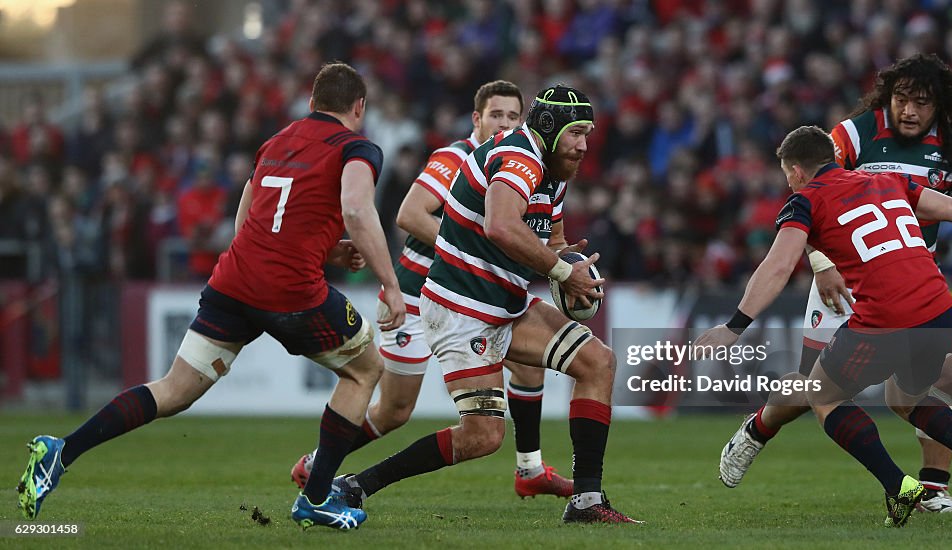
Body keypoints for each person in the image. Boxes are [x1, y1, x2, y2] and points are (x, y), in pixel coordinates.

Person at [17, 62, 405, 531]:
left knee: (173, 390)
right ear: (359, 107)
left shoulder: (276, 142)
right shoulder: (357, 146)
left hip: (234, 281)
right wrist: (390, 283)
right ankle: (316, 498)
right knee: (365, 369)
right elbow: (357, 208)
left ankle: (62, 451)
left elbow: (249, 220)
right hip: (290, 290)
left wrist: (321, 252)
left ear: (311, 103)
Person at [329, 84, 640, 524]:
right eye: (576, 133)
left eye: (588, 133)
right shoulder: (519, 156)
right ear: (550, 130)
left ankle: (587, 501)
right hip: (461, 309)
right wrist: (562, 272)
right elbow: (500, 226)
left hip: (505, 304)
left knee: (597, 362)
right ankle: (357, 484)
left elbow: (552, 240)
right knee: (482, 436)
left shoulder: (553, 172)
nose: (583, 144)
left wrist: (570, 263)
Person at [720, 54, 952, 514]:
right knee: (810, 389)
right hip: (841, 280)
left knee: (940, 379)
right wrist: (822, 263)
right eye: (902, 99)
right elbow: (817, 187)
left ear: (941, 105)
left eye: (922, 102)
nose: (910, 111)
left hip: (906, 279)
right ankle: (758, 428)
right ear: (888, 98)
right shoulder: (856, 133)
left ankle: (931, 490)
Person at [289, 80, 572, 498]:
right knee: (394, 411)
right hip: (417, 298)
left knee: (530, 367)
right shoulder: (456, 157)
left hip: (476, 300)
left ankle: (529, 470)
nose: (505, 123)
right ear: (476, 119)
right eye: (496, 114)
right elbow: (409, 214)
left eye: (514, 116)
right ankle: (316, 463)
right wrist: (468, 247)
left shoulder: (525, 162)